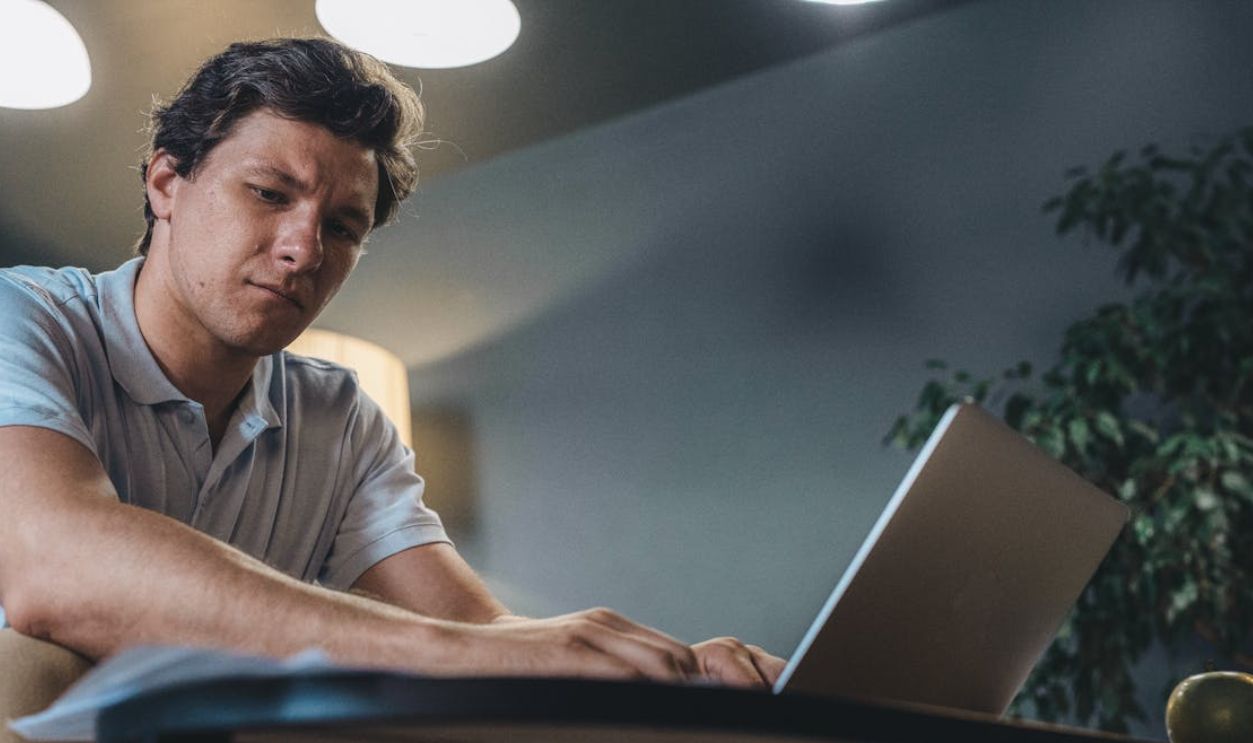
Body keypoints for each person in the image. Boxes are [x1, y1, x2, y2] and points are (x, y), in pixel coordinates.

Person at [0, 37, 784, 687]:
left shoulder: (338, 416)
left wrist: (683, 674)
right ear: (166, 180)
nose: (303, 250)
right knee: (28, 662)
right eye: (271, 193)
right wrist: (451, 652)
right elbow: (53, 566)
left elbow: (479, 630)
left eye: (342, 227)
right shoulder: (24, 318)